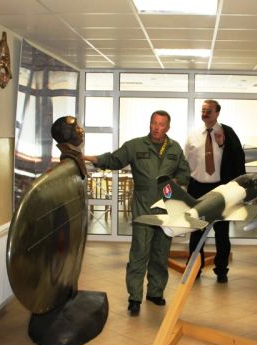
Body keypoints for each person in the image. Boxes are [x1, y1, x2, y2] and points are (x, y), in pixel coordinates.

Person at [85, 110, 190, 316]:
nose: (156, 127)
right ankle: (134, 297)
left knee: (161, 253)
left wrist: (176, 181)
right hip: (143, 206)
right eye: (153, 123)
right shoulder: (135, 146)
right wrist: (91, 158)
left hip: (167, 208)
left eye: (161, 124)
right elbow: (114, 160)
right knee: (139, 252)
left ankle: (155, 292)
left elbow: (184, 173)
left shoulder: (175, 148)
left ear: (168, 127)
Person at [184, 100, 246, 283]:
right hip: (197, 188)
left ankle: (221, 270)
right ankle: (195, 269)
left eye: (208, 111)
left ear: (217, 113)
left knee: (222, 232)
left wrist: (222, 144)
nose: (205, 114)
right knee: (197, 231)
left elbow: (238, 159)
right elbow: (185, 162)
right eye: (203, 110)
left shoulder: (227, 132)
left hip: (221, 189)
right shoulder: (193, 135)